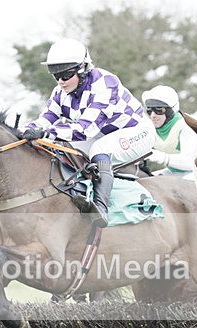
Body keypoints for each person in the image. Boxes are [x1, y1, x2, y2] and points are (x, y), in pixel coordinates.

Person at [20, 38, 155, 227]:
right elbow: (45, 119)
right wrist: (24, 131)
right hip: (102, 134)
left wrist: (45, 132)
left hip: (136, 132)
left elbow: (85, 130)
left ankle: (100, 207)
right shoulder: (60, 91)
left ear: (83, 68)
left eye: (65, 75)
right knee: (61, 149)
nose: (60, 81)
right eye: (55, 75)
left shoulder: (105, 84)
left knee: (99, 148)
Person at [141, 85, 197, 177]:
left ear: (171, 111)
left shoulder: (185, 126)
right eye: (149, 111)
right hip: (173, 173)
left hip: (195, 174)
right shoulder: (149, 129)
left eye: (159, 110)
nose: (153, 115)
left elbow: (192, 163)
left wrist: (162, 157)